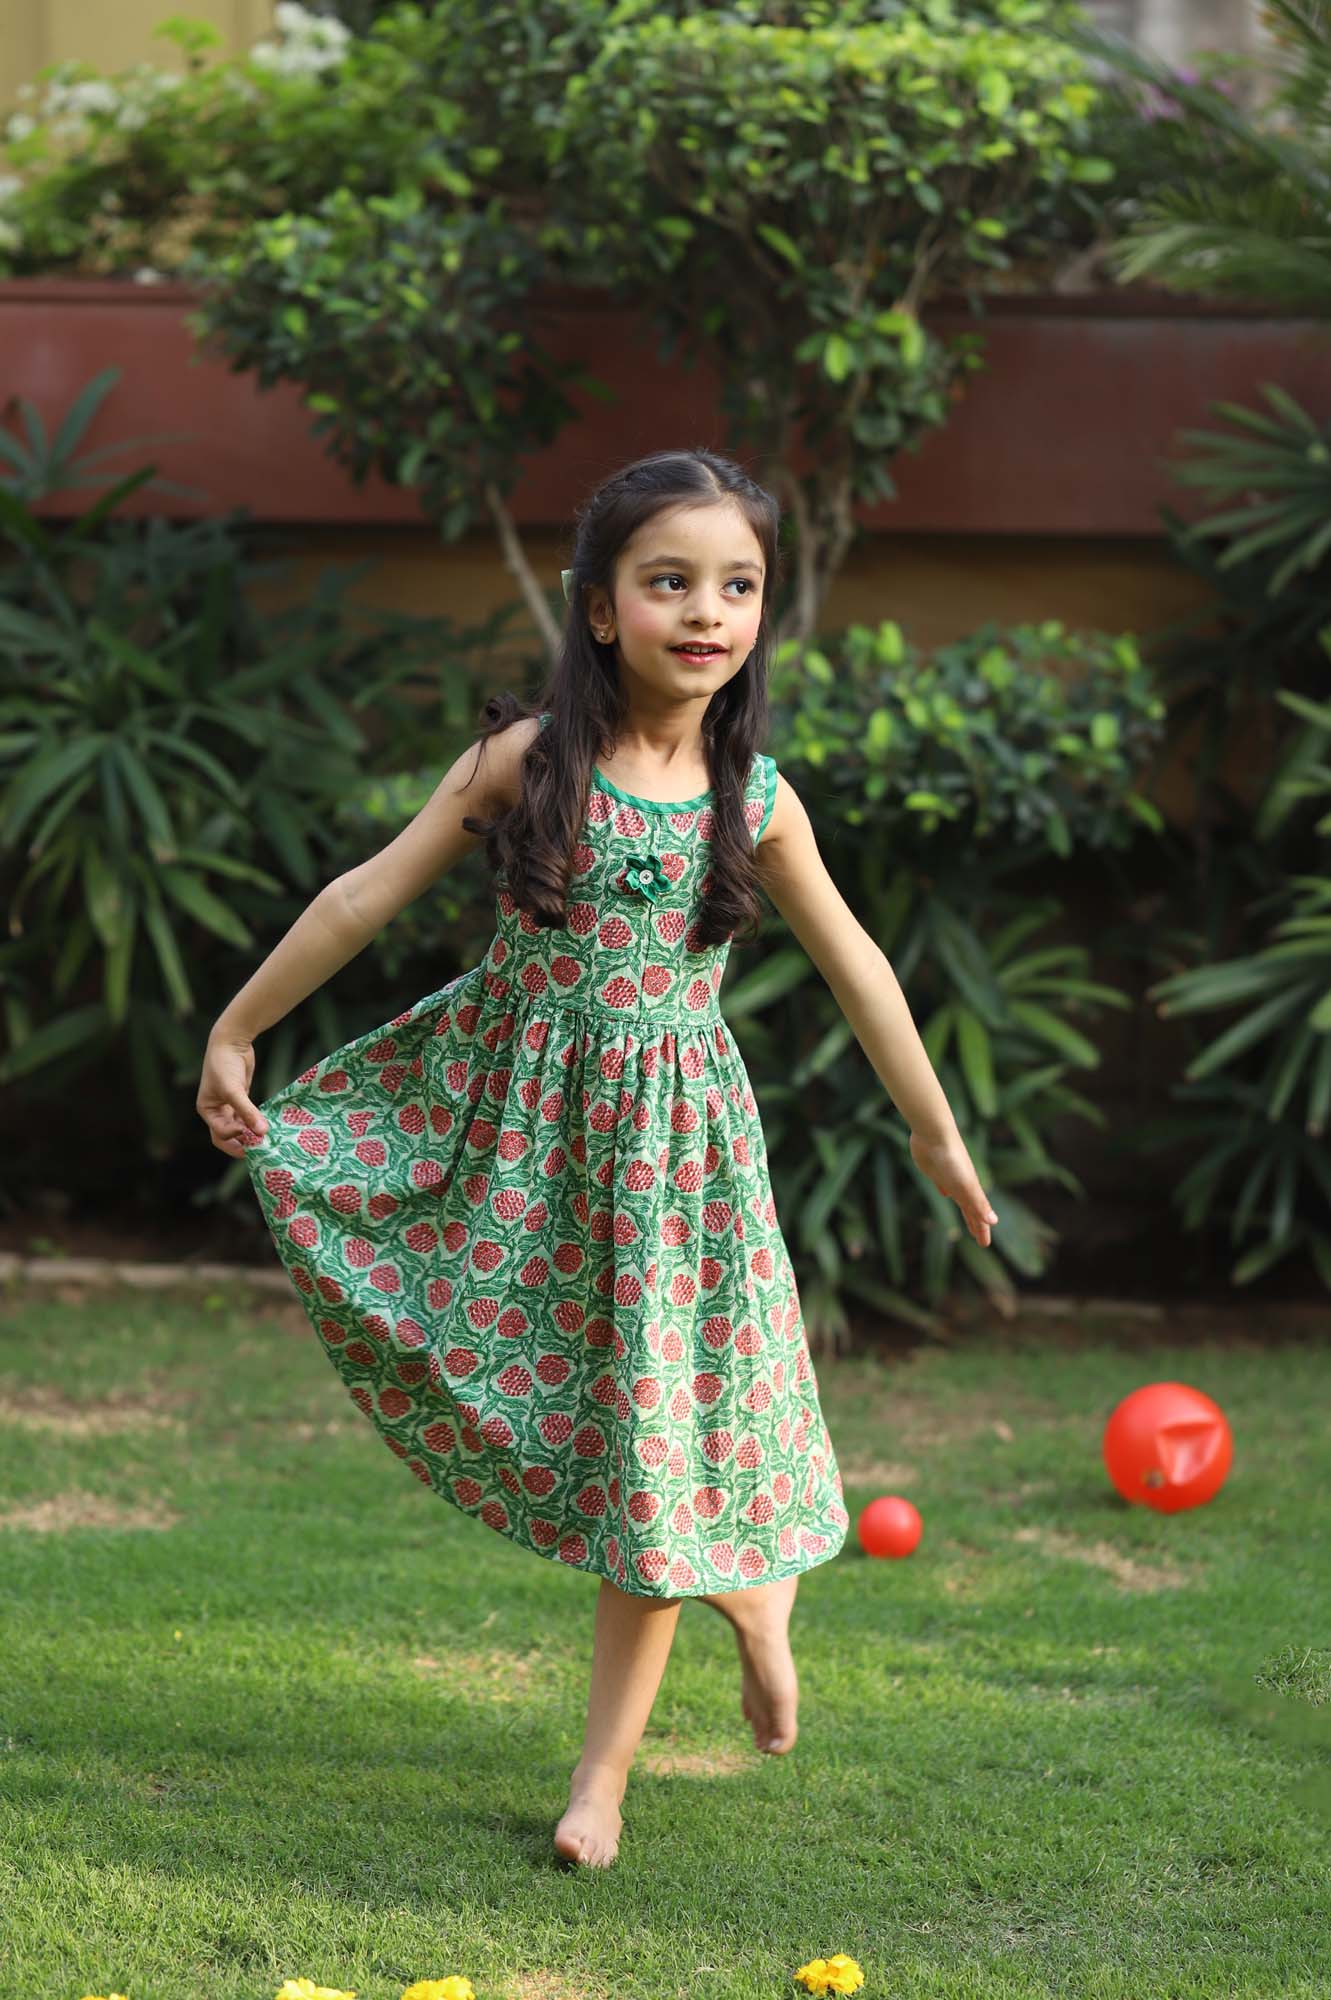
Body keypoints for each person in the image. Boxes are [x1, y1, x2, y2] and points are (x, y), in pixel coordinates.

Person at [196, 445, 997, 1871]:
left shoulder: (755, 801)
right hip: (511, 1135)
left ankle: (603, 1784)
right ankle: (749, 1590)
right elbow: (366, 894)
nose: (708, 610)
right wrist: (241, 1031)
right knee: (557, 1412)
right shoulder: (528, 765)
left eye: (737, 584)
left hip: (674, 1165)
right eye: (670, 580)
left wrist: (935, 1130)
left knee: (648, 1454)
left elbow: (861, 969)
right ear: (603, 608)